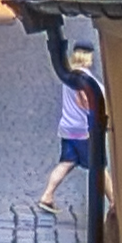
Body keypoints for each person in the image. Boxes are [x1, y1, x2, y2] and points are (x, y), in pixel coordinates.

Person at [37, 44, 99, 217]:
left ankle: (47, 196)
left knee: (67, 162)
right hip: (82, 130)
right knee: (98, 165)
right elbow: (84, 101)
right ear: (88, 57)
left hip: (67, 127)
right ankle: (115, 202)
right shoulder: (84, 78)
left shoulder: (70, 75)